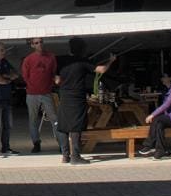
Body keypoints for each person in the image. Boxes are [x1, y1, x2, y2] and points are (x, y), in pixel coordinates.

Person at [54, 37, 115, 165]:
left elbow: (57, 80)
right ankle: (75, 156)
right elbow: (101, 70)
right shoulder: (82, 61)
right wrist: (111, 61)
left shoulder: (62, 61)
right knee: (76, 126)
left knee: (63, 125)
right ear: (82, 49)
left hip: (64, 94)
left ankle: (65, 156)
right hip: (77, 96)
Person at [138, 73, 171, 159]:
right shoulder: (168, 90)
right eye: (161, 77)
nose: (162, 79)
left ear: (170, 78)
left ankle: (149, 145)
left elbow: (166, 105)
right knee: (159, 125)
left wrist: (152, 115)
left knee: (157, 119)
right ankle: (160, 151)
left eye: (164, 77)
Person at [20, 37, 59, 154]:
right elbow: (25, 76)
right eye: (36, 43)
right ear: (32, 45)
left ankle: (61, 141)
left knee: (54, 118)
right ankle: (36, 142)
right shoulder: (28, 59)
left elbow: (53, 72)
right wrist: (33, 86)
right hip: (32, 93)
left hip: (46, 92)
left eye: (41, 42)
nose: (39, 44)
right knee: (33, 119)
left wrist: (51, 83)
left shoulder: (51, 57)